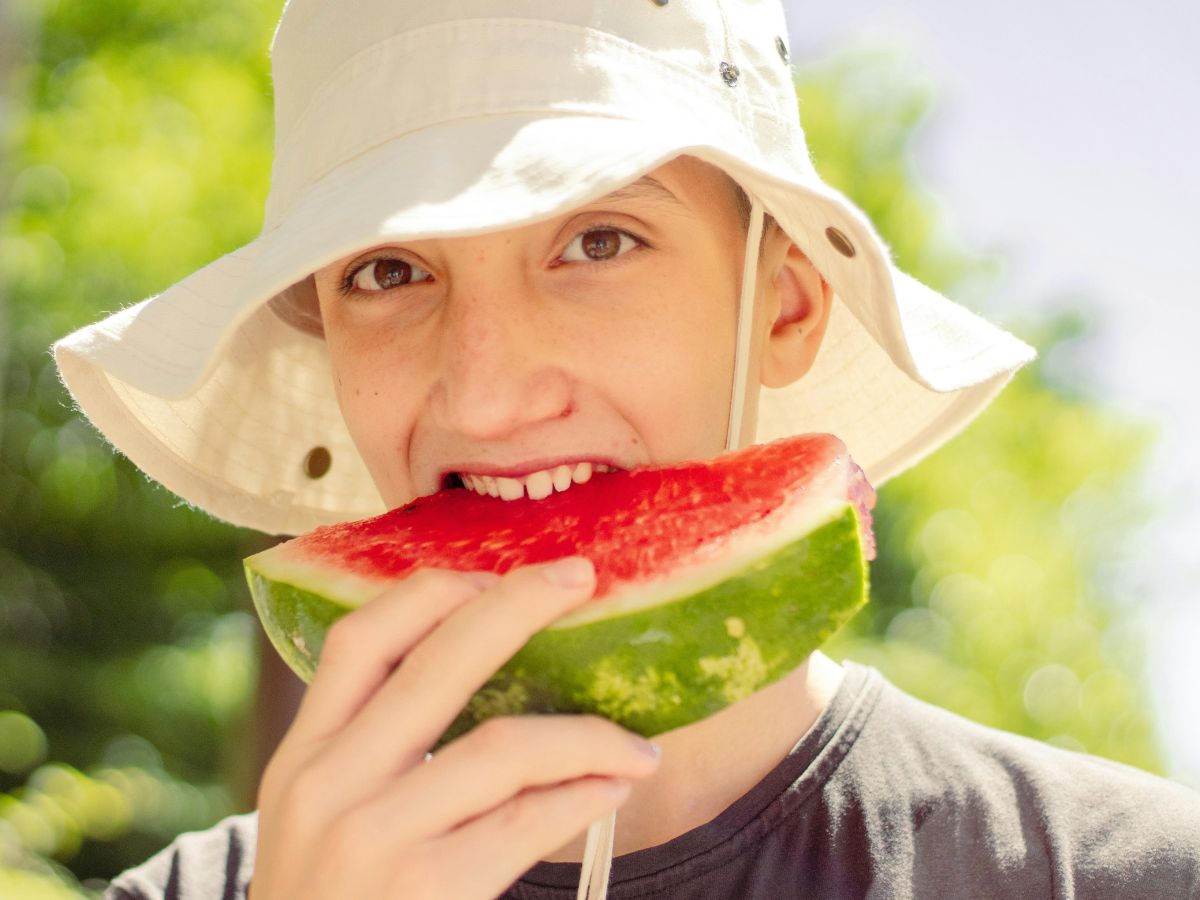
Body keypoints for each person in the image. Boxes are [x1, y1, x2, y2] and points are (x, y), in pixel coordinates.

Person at [53, 1, 1200, 898]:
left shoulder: (1115, 874)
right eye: (388, 272)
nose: (489, 396)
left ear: (784, 308)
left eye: (599, 240)